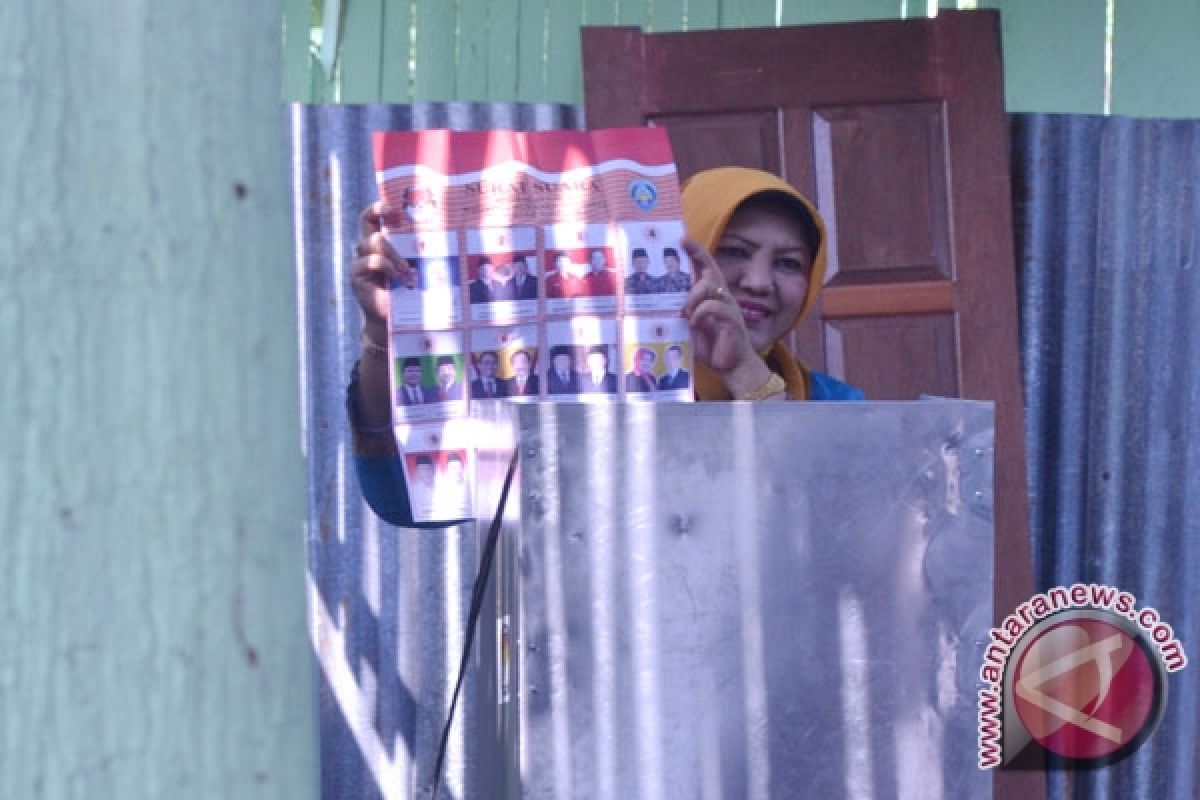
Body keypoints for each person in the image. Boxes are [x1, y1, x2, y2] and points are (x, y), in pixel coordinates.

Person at [347, 168, 862, 524]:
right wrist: (382, 335)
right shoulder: (589, 390)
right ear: (673, 252)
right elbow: (404, 501)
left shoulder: (837, 409)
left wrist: (747, 377)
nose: (758, 281)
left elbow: (843, 524)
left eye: (789, 263)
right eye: (733, 251)